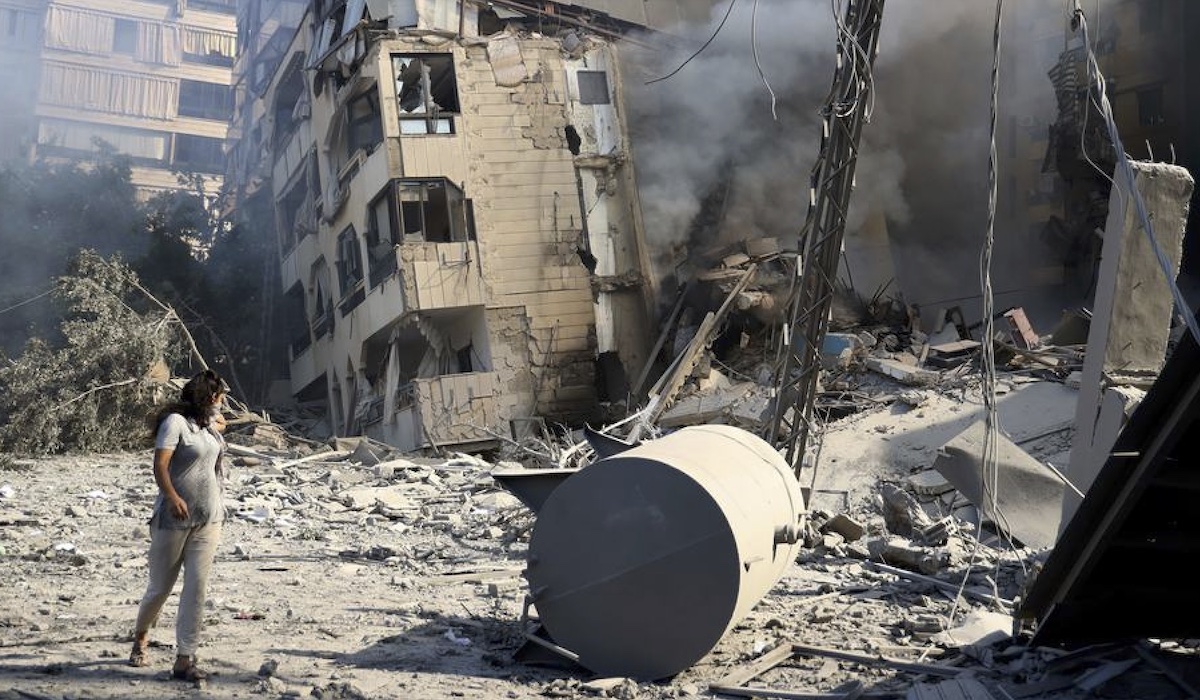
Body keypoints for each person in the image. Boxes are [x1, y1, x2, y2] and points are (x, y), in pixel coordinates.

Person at [129, 369, 228, 682]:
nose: (222, 403)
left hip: (208, 518)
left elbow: (221, 426)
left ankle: (185, 658)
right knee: (160, 588)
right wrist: (171, 497)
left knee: (197, 587)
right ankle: (141, 637)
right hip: (173, 520)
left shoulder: (208, 425)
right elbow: (160, 465)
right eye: (220, 397)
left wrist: (216, 419)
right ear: (209, 397)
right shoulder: (175, 424)